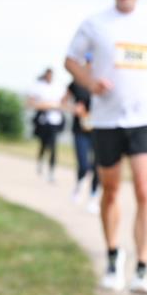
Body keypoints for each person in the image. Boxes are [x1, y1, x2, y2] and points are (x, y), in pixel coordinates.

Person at [64, 0, 147, 295]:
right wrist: (90, 83)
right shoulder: (96, 23)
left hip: (146, 116)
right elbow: (70, 60)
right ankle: (114, 257)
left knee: (144, 188)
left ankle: (142, 267)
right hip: (107, 118)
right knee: (110, 189)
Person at [65, 59, 101, 211]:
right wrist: (74, 108)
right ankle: (79, 185)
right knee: (83, 163)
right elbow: (63, 102)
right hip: (80, 129)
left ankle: (93, 197)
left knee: (98, 165)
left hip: (99, 129)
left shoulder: (103, 81)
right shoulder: (76, 83)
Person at [28, 67, 67, 183]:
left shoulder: (58, 87)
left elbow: (63, 103)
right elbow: (31, 102)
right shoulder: (39, 87)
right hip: (43, 121)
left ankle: (51, 171)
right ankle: (40, 161)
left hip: (55, 121)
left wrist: (56, 106)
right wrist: (46, 106)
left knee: (53, 147)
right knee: (43, 144)